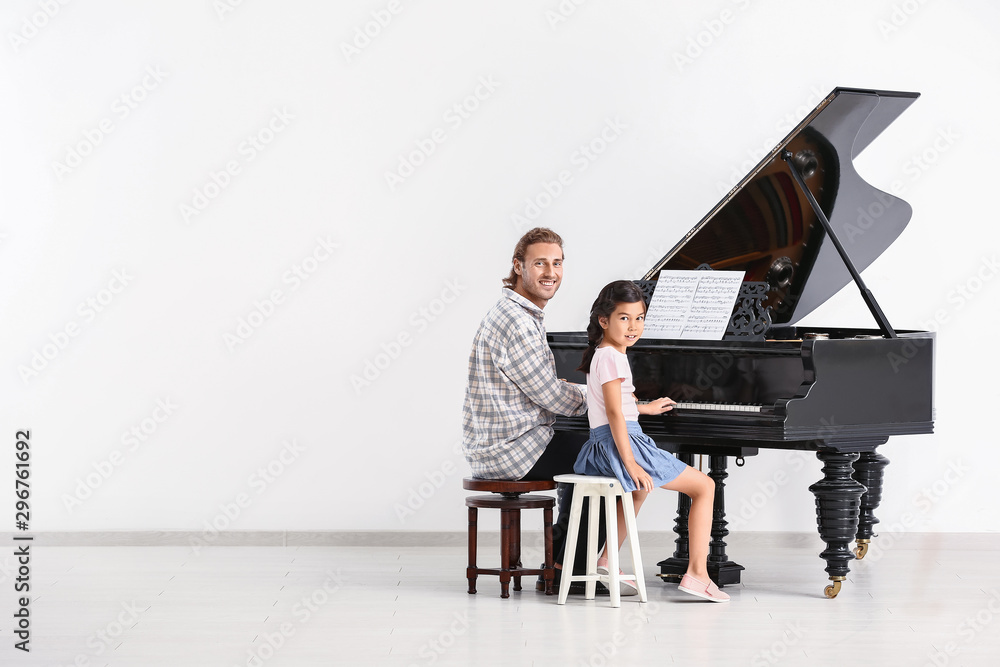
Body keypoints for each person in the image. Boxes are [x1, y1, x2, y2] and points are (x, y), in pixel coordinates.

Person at [462, 227, 615, 593]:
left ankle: (560, 562)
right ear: (519, 266)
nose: (551, 272)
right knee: (610, 454)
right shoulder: (518, 322)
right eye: (540, 263)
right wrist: (611, 399)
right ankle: (569, 570)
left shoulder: (515, 312)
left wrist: (592, 395)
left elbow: (550, 392)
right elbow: (552, 396)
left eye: (558, 263)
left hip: (501, 443)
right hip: (510, 450)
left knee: (586, 445)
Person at [573, 279, 730, 602]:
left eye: (639, 318)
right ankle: (698, 574)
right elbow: (615, 413)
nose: (633, 326)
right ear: (604, 320)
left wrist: (644, 408)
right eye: (624, 318)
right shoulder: (614, 358)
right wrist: (630, 461)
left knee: (641, 490)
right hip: (623, 443)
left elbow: (612, 406)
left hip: (600, 445)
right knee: (705, 486)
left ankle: (607, 559)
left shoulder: (600, 354)